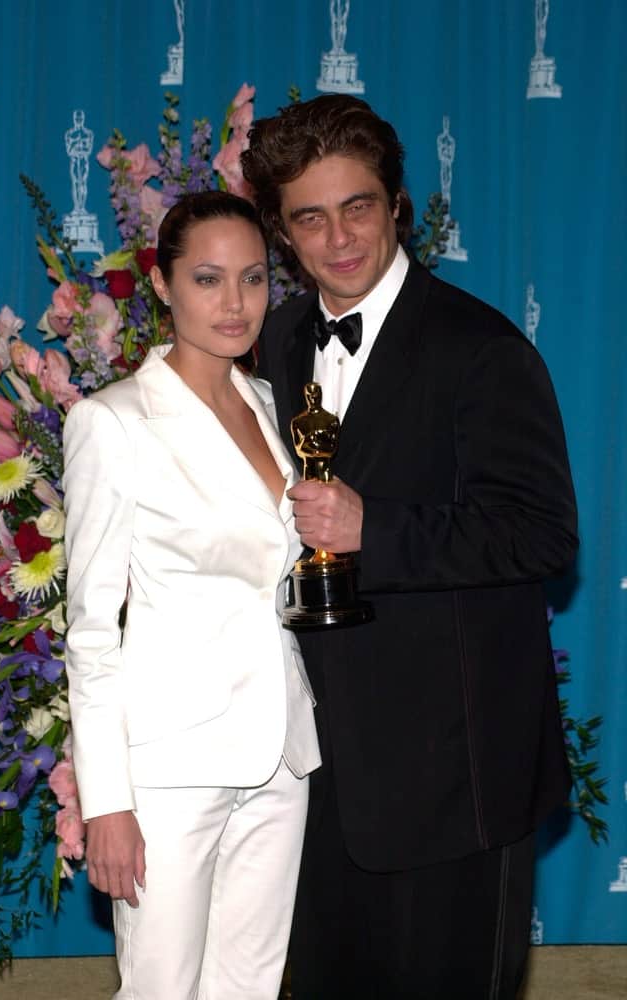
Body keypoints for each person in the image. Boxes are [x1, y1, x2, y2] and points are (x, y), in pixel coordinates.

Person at [242, 95, 578, 999]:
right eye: (310, 217)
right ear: (281, 232)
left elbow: (543, 532)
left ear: (396, 206)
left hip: (452, 779)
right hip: (308, 778)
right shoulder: (269, 343)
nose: (339, 237)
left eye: (358, 207)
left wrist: (374, 529)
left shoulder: (483, 348)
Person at [62, 190, 320, 1000]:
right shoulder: (114, 421)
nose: (235, 303)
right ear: (164, 286)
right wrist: (107, 801)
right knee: (162, 989)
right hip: (170, 767)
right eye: (208, 279)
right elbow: (92, 631)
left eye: (252, 278)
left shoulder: (270, 404)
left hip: (281, 751)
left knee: (249, 987)